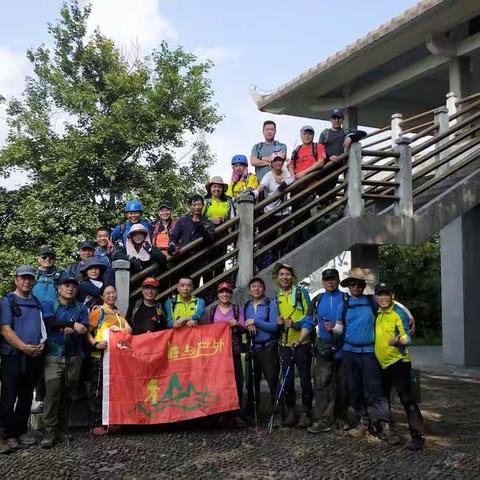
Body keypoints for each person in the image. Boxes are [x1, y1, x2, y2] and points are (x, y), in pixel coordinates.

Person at [335, 268, 394, 442]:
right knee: (354, 389)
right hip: (349, 353)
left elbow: (392, 307)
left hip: (369, 352)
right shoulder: (343, 305)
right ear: (348, 286)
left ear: (363, 285)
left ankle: (384, 424)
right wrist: (332, 329)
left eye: (359, 284)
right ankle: (363, 421)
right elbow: (340, 327)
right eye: (352, 283)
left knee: (375, 390)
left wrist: (409, 317)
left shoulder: (372, 302)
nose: (356, 287)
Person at [296, 269, 349, 434]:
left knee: (343, 384)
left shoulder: (347, 299)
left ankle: (341, 418)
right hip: (323, 345)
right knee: (321, 384)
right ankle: (322, 419)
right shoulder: (318, 300)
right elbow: (308, 322)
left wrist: (408, 315)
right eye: (327, 280)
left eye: (333, 279)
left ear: (338, 280)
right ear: (323, 282)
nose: (330, 282)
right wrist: (299, 339)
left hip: (344, 346)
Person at [0, 266, 46, 453]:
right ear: (16, 279)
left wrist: (41, 344)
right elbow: (5, 329)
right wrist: (24, 347)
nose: (26, 281)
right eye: (23, 278)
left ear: (34, 281)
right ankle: (6, 434)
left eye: (30, 278)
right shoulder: (7, 301)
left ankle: (21, 431)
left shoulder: (36, 302)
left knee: (27, 396)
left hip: (34, 356)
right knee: (9, 396)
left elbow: (41, 327)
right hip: (14, 355)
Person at [374, 283, 425, 451]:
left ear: (392, 295)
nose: (383, 297)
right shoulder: (379, 312)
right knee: (383, 398)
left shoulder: (397, 312)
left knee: (407, 400)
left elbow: (408, 338)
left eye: (386, 294)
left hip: (398, 363)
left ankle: (418, 438)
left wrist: (398, 341)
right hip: (382, 363)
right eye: (380, 294)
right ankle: (388, 431)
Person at [40, 274, 88, 448]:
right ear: (59, 288)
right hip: (53, 356)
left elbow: (84, 328)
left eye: (73, 286)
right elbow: (50, 322)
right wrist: (71, 324)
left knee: (67, 393)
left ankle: (61, 428)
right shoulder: (49, 305)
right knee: (52, 393)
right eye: (66, 285)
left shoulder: (82, 308)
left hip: (74, 356)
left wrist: (73, 327)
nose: (70, 288)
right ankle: (49, 432)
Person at [87, 285, 132, 436]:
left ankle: (110, 421)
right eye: (107, 293)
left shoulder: (118, 313)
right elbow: (87, 332)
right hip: (100, 356)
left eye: (113, 292)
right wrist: (95, 343)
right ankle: (96, 422)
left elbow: (129, 330)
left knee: (112, 390)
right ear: (102, 296)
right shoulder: (98, 311)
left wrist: (119, 330)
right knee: (98, 389)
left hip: (115, 358)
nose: (111, 295)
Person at [273, 263, 312, 428]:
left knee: (304, 380)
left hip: (302, 343)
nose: (284, 277)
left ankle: (306, 412)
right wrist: (279, 323)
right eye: (281, 274)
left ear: (292, 276)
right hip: (284, 344)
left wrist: (295, 324)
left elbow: (310, 316)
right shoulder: (277, 296)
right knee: (287, 381)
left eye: (287, 274)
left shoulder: (301, 292)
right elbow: (277, 320)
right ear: (277, 278)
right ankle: (291, 411)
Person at [204, 282, 245, 426]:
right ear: (218, 294)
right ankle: (219, 413)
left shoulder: (236, 309)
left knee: (237, 381)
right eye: (222, 292)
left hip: (233, 350)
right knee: (219, 382)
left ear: (231, 294)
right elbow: (208, 331)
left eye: (227, 292)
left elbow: (243, 326)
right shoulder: (213, 310)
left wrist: (237, 324)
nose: (224, 294)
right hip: (217, 352)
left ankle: (236, 414)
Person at [244, 276, 280, 426]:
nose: (256, 289)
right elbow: (244, 323)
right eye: (253, 287)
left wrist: (255, 321)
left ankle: (277, 414)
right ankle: (253, 415)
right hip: (252, 348)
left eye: (259, 286)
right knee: (251, 383)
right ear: (249, 290)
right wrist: (247, 325)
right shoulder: (246, 305)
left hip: (268, 347)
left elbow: (274, 327)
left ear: (264, 289)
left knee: (273, 382)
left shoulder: (270, 303)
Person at [31, 246, 62, 415]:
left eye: (51, 256)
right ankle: (39, 397)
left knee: (53, 361)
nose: (48, 259)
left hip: (54, 323)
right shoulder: (33, 276)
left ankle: (49, 401)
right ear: (39, 258)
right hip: (36, 322)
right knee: (37, 361)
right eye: (44, 256)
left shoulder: (59, 276)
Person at [254, 148, 294, 267]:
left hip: (284, 211)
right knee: (268, 240)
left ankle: (280, 263)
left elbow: (292, 178)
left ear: (282, 162)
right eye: (275, 161)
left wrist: (285, 183)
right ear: (271, 164)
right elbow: (262, 186)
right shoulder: (268, 175)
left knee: (284, 240)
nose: (278, 163)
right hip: (269, 213)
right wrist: (255, 192)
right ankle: (266, 265)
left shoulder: (286, 172)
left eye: (280, 161)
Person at [168, 195, 217, 288]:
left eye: (199, 204)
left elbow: (211, 240)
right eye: (194, 205)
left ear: (203, 205)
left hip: (199, 259)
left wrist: (202, 230)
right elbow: (174, 236)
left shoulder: (208, 222)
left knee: (195, 286)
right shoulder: (182, 220)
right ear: (190, 206)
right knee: (180, 286)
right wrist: (172, 246)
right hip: (182, 258)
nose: (197, 207)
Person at [318, 109, 367, 202]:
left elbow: (363, 133)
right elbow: (319, 149)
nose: (336, 120)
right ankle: (326, 206)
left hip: (337, 165)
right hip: (324, 164)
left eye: (339, 118)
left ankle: (330, 208)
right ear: (331, 120)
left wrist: (350, 137)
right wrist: (329, 157)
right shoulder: (325, 133)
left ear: (342, 120)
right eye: (334, 118)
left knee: (330, 186)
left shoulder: (345, 131)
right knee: (321, 187)